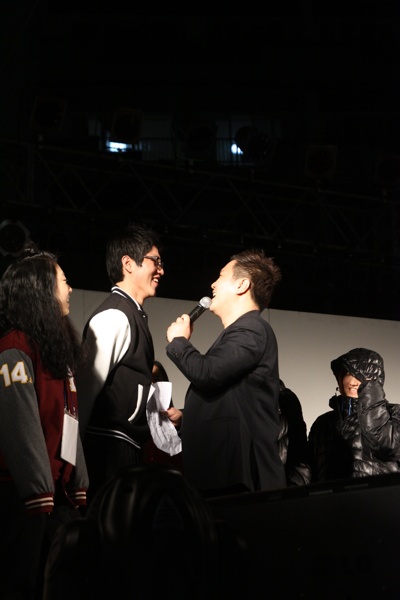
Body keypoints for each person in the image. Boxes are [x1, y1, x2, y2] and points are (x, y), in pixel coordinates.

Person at [0, 242, 88, 600]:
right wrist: (39, 493)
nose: (70, 289)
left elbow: (69, 421)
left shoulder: (55, 350)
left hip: (55, 499)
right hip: (25, 501)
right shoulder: (15, 347)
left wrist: (78, 483)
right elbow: (19, 426)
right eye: (63, 281)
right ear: (41, 290)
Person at [166, 248, 286, 497]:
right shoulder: (243, 331)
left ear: (242, 285)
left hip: (240, 480)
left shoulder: (252, 329)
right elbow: (234, 400)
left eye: (220, 276)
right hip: (226, 475)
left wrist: (179, 342)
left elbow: (208, 373)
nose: (213, 284)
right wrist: (186, 417)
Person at [75, 223, 181, 504]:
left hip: (123, 448)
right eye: (155, 261)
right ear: (128, 263)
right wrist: (75, 461)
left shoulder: (130, 313)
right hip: (108, 451)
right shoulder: (115, 315)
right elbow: (84, 391)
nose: (161, 270)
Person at [308, 347, 400, 483]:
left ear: (374, 379)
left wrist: (370, 392)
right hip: (332, 496)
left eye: (360, 375)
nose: (352, 381)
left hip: (381, 495)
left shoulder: (394, 413)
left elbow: (389, 448)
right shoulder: (323, 423)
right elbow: (310, 469)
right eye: (347, 373)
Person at [277, 379, 311, 486]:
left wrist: (294, 489)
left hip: (280, 487)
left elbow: (299, 450)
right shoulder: (240, 398)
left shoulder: (286, 399)